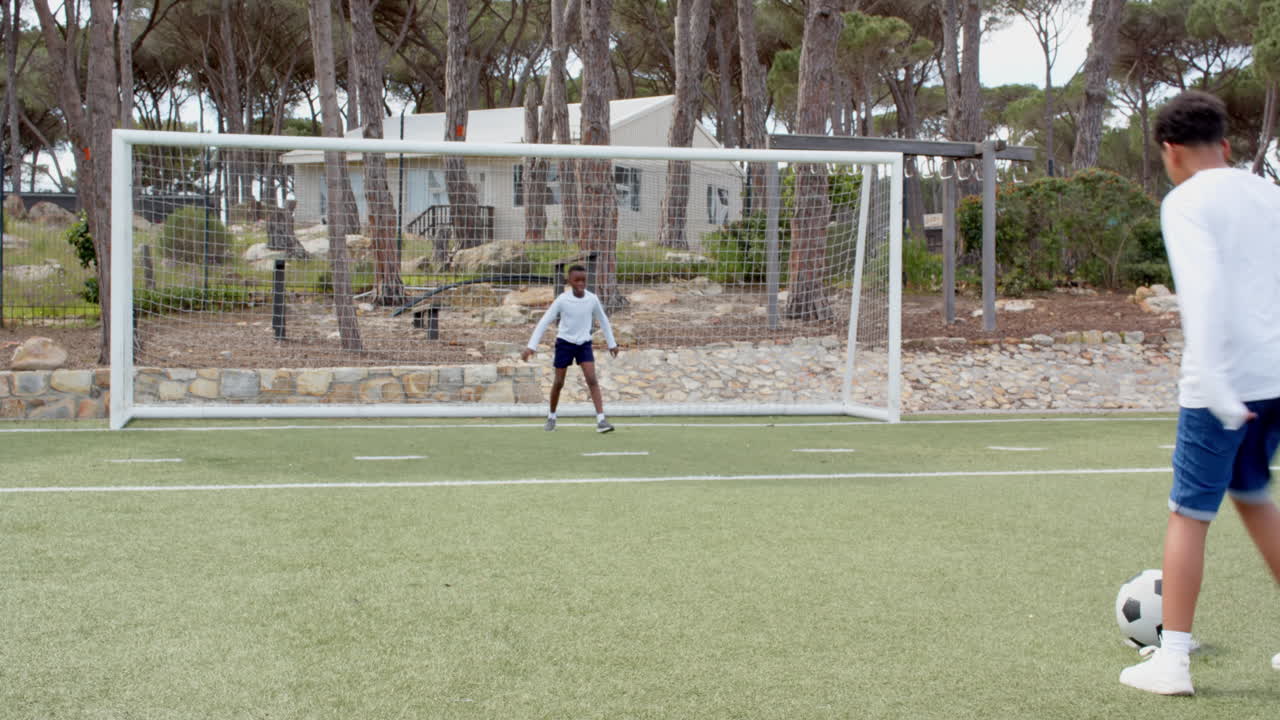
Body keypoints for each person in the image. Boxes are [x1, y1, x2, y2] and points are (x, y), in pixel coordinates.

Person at [1120, 90, 1280, 695]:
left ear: (1170, 151)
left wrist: (1214, 385)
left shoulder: (1185, 202)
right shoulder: (1269, 193)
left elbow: (1203, 291)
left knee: (1188, 513)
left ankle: (1173, 663)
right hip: (1276, 377)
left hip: (1224, 382)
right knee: (1253, 495)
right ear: (1226, 145)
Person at [521, 265, 619, 433]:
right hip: (564, 344)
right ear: (569, 281)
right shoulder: (562, 300)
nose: (580, 283)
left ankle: (601, 420)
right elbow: (544, 321)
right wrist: (531, 346)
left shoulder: (592, 299)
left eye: (583, 280)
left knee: (592, 379)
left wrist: (612, 343)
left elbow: (603, 320)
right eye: (577, 280)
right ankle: (552, 416)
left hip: (584, 344)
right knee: (559, 382)